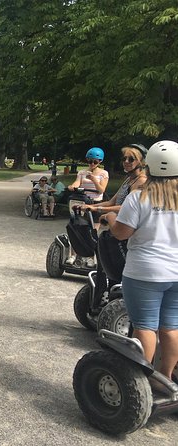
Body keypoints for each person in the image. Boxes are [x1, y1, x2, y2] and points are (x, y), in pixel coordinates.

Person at [101, 140, 178, 381]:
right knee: (171, 327)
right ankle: (164, 377)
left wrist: (112, 218)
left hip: (144, 272)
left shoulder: (138, 198)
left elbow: (122, 233)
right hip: (176, 273)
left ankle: (142, 381)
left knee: (145, 327)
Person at [66, 147, 109, 266]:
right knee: (77, 229)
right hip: (83, 203)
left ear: (100, 161)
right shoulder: (82, 172)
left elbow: (101, 190)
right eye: (90, 161)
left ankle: (91, 257)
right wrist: (72, 186)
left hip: (96, 204)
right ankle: (73, 255)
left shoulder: (104, 174)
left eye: (95, 161)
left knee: (92, 232)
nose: (92, 164)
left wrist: (94, 180)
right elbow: (77, 183)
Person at [80, 144, 147, 216]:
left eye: (131, 159)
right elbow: (111, 202)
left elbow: (129, 208)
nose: (126, 161)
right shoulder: (129, 179)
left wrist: (97, 209)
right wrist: (89, 206)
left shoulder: (141, 181)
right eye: (124, 159)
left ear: (141, 162)